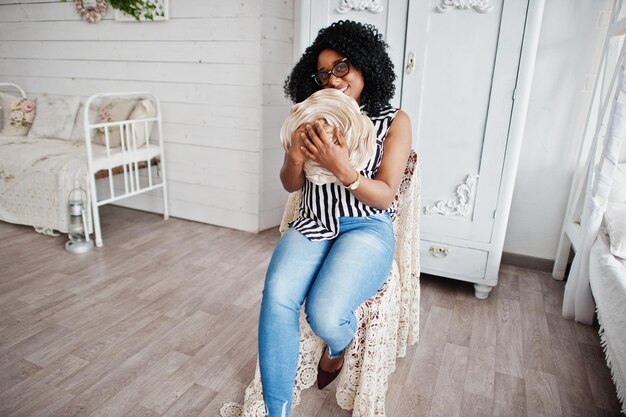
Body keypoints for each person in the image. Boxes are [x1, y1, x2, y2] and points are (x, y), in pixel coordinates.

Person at [258, 20, 412, 417]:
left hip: (366, 226)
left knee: (325, 314)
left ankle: (338, 348)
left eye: (341, 67)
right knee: (277, 297)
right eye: (324, 72)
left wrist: (342, 168)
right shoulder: (310, 115)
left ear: (365, 66)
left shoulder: (393, 121)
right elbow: (291, 185)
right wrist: (294, 156)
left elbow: (385, 196)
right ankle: (277, 412)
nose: (332, 79)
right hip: (312, 221)